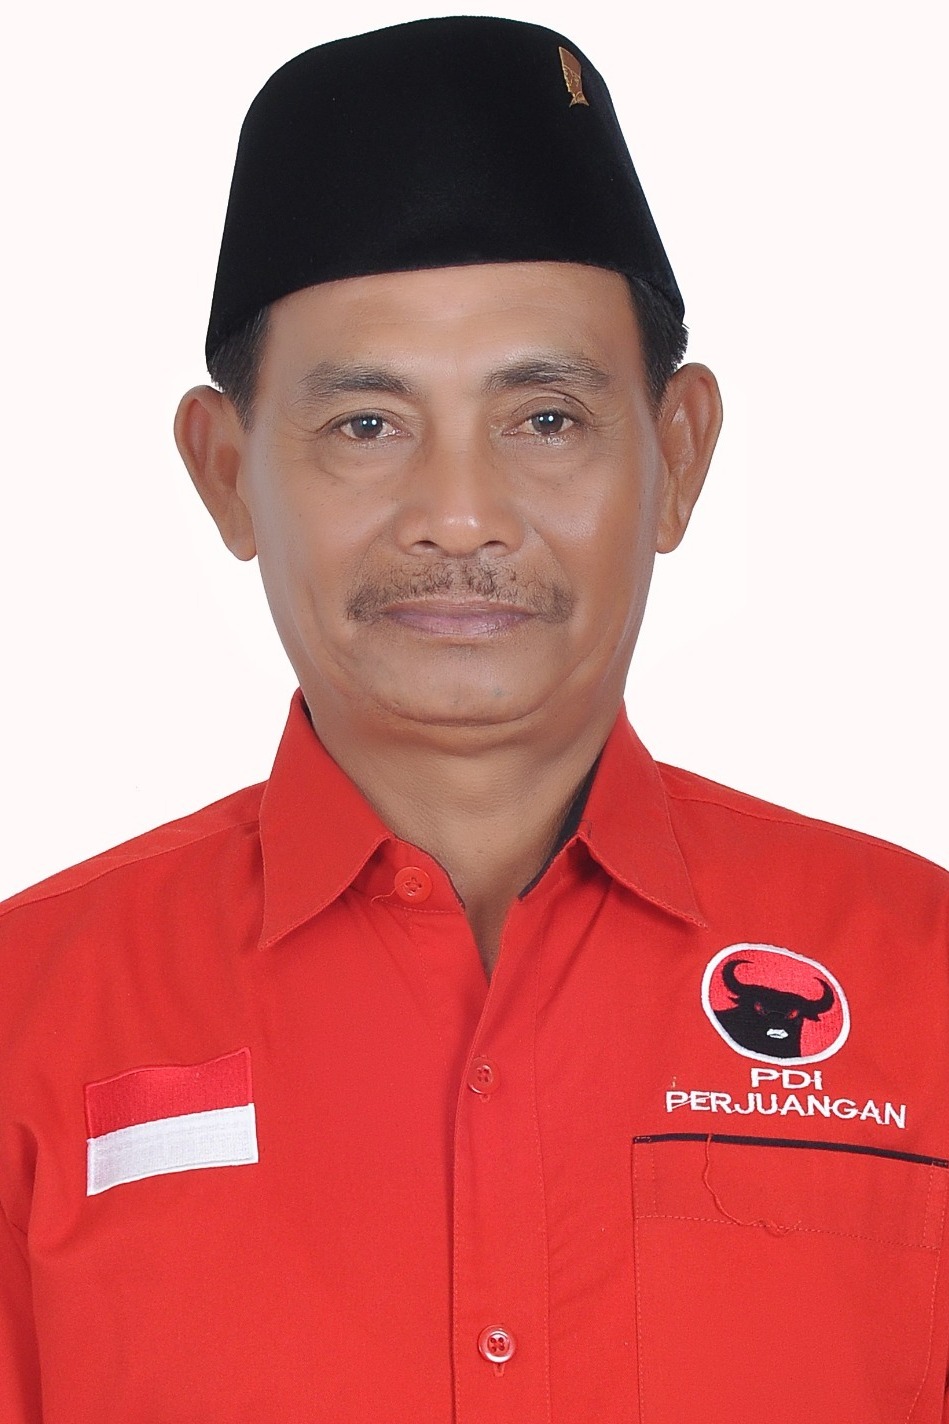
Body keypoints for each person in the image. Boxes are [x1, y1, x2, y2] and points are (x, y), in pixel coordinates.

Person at [0, 15, 946, 1422]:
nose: (458, 516)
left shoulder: (926, 988)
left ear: (678, 453)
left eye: (545, 418)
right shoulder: (27, 1023)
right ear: (226, 472)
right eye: (366, 426)